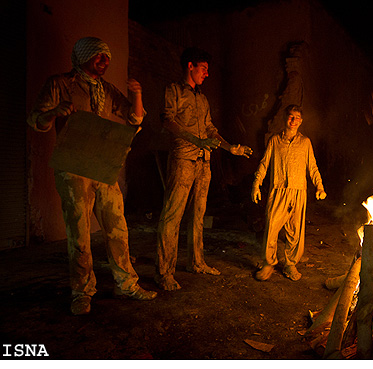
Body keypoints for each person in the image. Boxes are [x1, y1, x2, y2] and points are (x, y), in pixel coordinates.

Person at [27, 37, 157, 315]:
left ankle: (126, 284)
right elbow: (35, 119)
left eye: (107, 58)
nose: (105, 62)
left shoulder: (107, 90)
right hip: (73, 169)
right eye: (99, 56)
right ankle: (81, 291)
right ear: (83, 56)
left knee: (117, 228)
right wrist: (54, 112)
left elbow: (134, 119)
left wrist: (136, 95)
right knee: (80, 234)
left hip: (102, 166)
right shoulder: (60, 84)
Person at [155, 47, 253, 291]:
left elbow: (209, 129)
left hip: (204, 162)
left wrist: (230, 148)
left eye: (208, 70)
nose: (206, 74)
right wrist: (196, 142)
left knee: (198, 216)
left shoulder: (202, 98)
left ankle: (196, 262)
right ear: (190, 66)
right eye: (203, 69)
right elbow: (167, 120)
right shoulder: (174, 90)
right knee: (172, 216)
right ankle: (164, 272)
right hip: (183, 160)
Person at [252, 105, 326, 281]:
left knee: (295, 231)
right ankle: (269, 263)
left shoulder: (305, 142)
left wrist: (320, 186)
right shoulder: (275, 141)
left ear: (301, 121)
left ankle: (290, 264)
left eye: (297, 117)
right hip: (278, 190)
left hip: (298, 190)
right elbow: (264, 164)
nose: (293, 121)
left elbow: (312, 166)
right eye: (291, 117)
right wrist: (256, 184)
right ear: (285, 118)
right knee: (271, 227)